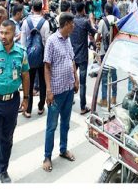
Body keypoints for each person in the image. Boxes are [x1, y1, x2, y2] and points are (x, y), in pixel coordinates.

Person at [0, 20, 30, 183]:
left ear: (14, 34)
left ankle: (3, 171)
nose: (2, 36)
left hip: (12, 102)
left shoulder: (21, 53)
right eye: (1, 32)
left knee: (7, 140)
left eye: (6, 33)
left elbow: (25, 76)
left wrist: (26, 98)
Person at [43, 12, 79, 172]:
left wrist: (76, 79)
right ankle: (47, 156)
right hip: (56, 92)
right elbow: (47, 66)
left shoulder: (68, 39)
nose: (74, 26)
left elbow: (72, 60)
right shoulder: (51, 41)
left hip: (68, 89)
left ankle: (63, 149)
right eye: (72, 24)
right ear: (65, 24)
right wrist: (48, 90)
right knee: (51, 126)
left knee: (65, 123)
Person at [20, 0, 51, 118]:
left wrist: (24, 57)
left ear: (32, 8)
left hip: (28, 56)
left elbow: (23, 42)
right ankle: (40, 107)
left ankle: (28, 109)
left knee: (29, 81)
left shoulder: (25, 22)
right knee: (42, 82)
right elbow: (47, 41)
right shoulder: (45, 22)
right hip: (42, 56)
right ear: (42, 8)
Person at [70, 1, 97, 115]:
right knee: (82, 82)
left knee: (71, 79)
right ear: (83, 10)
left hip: (72, 54)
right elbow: (93, 32)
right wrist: (91, 21)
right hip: (83, 55)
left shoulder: (72, 21)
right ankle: (82, 107)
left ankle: (70, 100)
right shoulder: (85, 22)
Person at [96, 3, 119, 107]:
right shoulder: (117, 20)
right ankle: (114, 98)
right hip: (114, 52)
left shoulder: (102, 21)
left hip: (104, 52)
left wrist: (97, 44)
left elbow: (99, 36)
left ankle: (104, 99)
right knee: (114, 75)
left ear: (105, 10)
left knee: (104, 76)